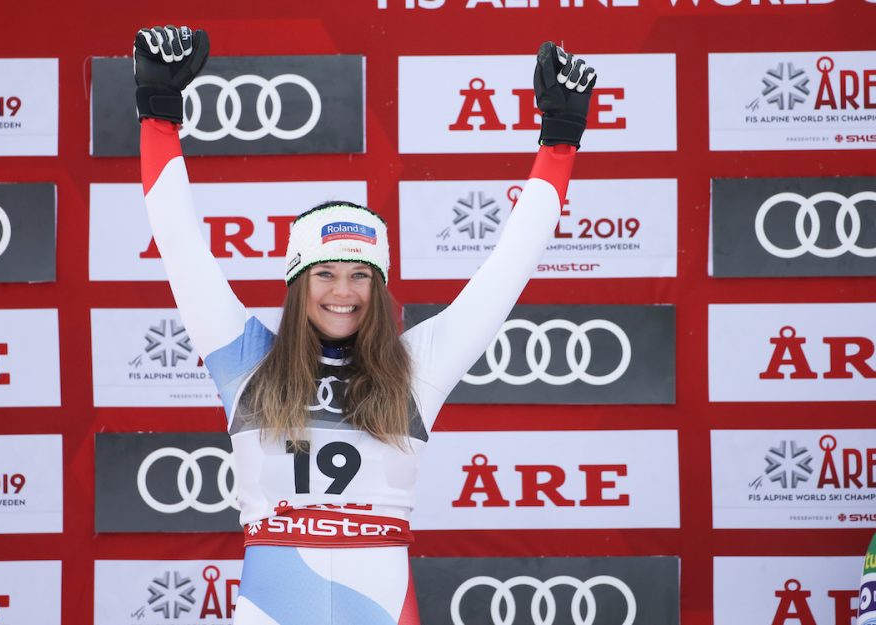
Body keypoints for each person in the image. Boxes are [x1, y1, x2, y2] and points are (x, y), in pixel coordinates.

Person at [133, 25, 596, 625]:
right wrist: (159, 117)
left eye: (361, 275)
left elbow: (509, 268)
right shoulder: (246, 361)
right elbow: (179, 245)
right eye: (325, 273)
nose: (343, 292)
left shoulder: (418, 367)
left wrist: (559, 143)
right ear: (298, 284)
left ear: (379, 288)